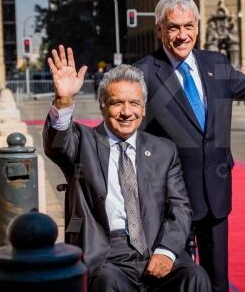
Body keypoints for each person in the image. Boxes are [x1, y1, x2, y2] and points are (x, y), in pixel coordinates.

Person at [133, 0, 245, 292]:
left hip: (215, 191)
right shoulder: (144, 71)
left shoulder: (215, 62)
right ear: (160, 29)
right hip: (169, 196)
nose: (182, 35)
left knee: (217, 279)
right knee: (174, 276)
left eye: (188, 26)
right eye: (174, 27)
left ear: (198, 27)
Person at [43, 50, 211, 291]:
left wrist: (166, 252)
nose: (126, 112)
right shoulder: (83, 142)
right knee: (108, 282)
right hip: (107, 253)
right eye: (117, 103)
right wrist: (64, 100)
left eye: (134, 103)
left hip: (155, 244)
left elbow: (180, 207)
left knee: (195, 277)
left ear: (143, 109)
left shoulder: (164, 150)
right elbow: (56, 144)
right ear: (102, 107)